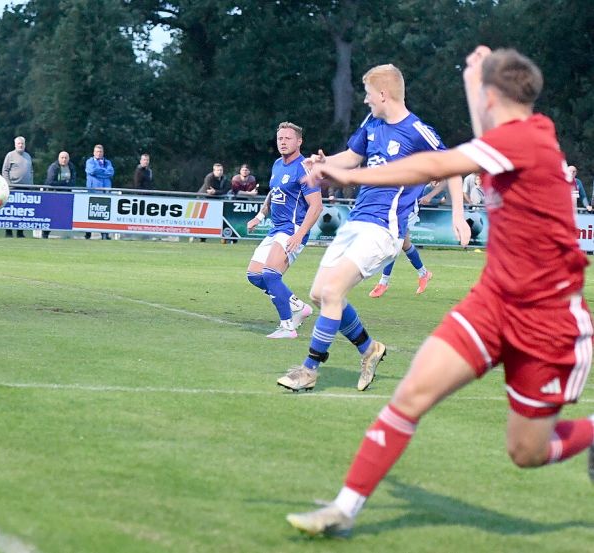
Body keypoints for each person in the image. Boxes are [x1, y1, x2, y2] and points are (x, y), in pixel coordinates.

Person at [285, 47, 594, 539]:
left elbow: (430, 166)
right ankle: (343, 509)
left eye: (480, 93)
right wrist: (476, 77)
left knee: (526, 452)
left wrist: (349, 174)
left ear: (494, 97)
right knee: (411, 394)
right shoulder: (508, 135)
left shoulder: (525, 141)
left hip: (547, 320)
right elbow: (482, 126)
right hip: (492, 303)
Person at [276, 63, 468, 394]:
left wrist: (458, 214)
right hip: (357, 221)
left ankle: (308, 370)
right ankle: (369, 350)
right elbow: (351, 157)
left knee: (333, 291)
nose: (365, 101)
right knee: (320, 293)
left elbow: (453, 166)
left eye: (367, 94)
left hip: (384, 229)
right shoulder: (373, 124)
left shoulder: (416, 131)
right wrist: (322, 164)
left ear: (383, 94)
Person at [245, 122, 322, 338]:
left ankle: (287, 326)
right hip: (276, 228)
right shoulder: (277, 164)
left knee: (270, 274)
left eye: (288, 138)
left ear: (299, 141)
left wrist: (299, 234)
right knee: (254, 275)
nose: (283, 142)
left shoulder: (305, 167)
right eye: (280, 138)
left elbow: (316, 205)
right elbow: (273, 194)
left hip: (293, 229)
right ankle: (299, 307)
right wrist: (260, 216)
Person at [2, 136, 33, 238]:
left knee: (23, 211)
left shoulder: (28, 156)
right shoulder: (10, 155)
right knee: (10, 210)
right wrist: (8, 184)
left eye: (22, 143)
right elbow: (5, 170)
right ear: (15, 144)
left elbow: (31, 171)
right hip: (13, 187)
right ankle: (8, 231)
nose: (21, 145)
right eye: (19, 143)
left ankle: (20, 232)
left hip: (26, 188)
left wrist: (31, 184)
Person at [43, 151, 77, 239]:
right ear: (58, 158)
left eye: (66, 158)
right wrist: (64, 183)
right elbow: (49, 182)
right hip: (55, 194)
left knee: (65, 215)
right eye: (62, 157)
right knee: (52, 215)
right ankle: (45, 233)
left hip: (67, 195)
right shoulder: (54, 167)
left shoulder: (71, 167)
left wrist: (67, 184)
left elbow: (73, 182)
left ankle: (69, 235)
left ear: (68, 159)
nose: (64, 159)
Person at [86, 144, 115, 240]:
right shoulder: (89, 161)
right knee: (90, 213)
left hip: (105, 191)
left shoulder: (108, 162)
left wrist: (99, 172)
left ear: (103, 153)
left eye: (100, 152)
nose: (99, 153)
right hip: (93, 191)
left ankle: (104, 234)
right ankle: (88, 233)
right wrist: (104, 172)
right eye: (97, 152)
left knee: (105, 213)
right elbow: (92, 171)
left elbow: (111, 173)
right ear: (94, 153)